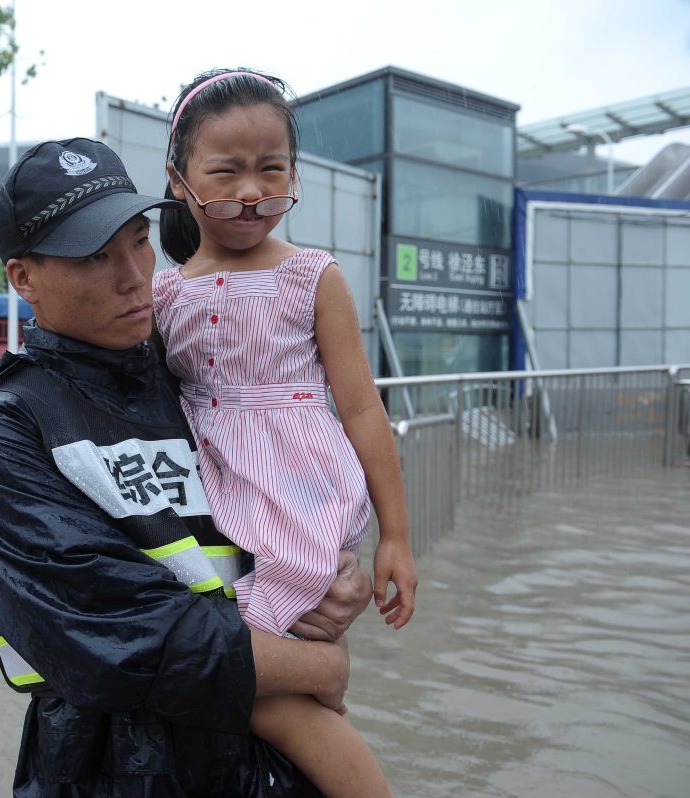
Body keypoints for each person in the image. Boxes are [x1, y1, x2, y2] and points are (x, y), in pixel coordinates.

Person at [0, 137, 373, 797]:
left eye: (139, 240)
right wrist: (315, 667)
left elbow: (284, 493)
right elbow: (120, 636)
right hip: (112, 768)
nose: (133, 275)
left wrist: (332, 569)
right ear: (23, 278)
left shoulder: (197, 379)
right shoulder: (10, 428)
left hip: (268, 758)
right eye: (94, 256)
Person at [155, 68, 419, 797]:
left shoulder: (312, 276)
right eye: (226, 171)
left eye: (270, 170)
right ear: (180, 179)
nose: (250, 192)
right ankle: (323, 696)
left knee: (263, 672)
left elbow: (362, 408)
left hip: (294, 493)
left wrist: (395, 536)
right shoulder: (163, 291)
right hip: (213, 493)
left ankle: (327, 709)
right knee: (256, 679)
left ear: (293, 173)